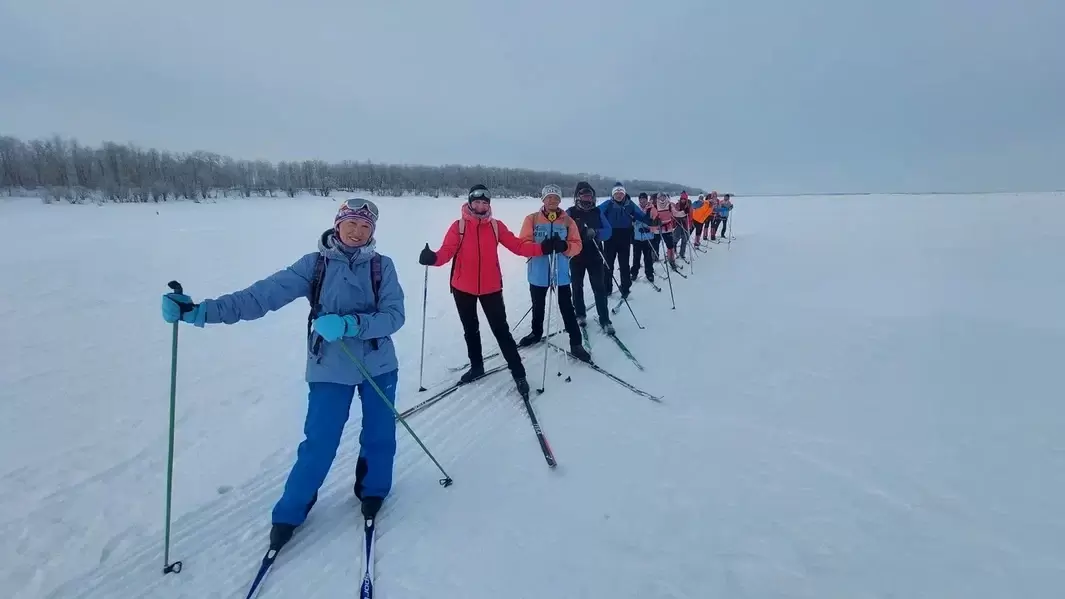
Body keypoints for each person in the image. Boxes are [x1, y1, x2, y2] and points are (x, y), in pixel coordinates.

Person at [160, 198, 404, 550]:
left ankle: (374, 491)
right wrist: (201, 312)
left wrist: (351, 323)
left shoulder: (383, 266)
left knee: (380, 435)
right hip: (329, 368)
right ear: (337, 225)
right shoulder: (314, 266)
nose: (357, 231)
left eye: (365, 227)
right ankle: (291, 512)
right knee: (319, 443)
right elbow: (260, 297)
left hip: (379, 366)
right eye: (351, 223)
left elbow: (394, 317)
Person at [418, 184, 541, 397]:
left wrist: (543, 248)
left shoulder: (496, 226)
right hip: (462, 288)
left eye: (485, 202)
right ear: (470, 202)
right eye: (477, 202)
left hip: (491, 288)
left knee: (501, 331)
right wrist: (433, 258)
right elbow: (446, 253)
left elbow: (519, 247)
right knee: (471, 329)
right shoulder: (458, 227)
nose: (481, 206)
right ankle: (477, 367)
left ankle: (519, 374)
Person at [516, 184, 591, 362]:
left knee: (567, 308)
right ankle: (536, 333)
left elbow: (577, 246)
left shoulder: (567, 221)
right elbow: (522, 246)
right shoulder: (532, 219)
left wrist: (565, 247)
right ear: (543, 199)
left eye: (556, 198)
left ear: (559, 200)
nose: (552, 201)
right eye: (549, 197)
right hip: (538, 272)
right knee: (538, 305)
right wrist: (541, 247)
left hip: (561, 272)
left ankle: (576, 343)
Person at [566, 181, 615, 335]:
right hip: (576, 257)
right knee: (577, 287)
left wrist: (596, 233)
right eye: (583, 195)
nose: (587, 199)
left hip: (595, 256)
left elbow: (608, 231)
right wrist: (575, 233)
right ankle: (580, 314)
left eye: (589, 196)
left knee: (599, 288)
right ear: (577, 197)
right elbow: (563, 230)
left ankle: (605, 319)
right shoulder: (570, 212)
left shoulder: (597, 212)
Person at [598, 182, 654, 298]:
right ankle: (607, 287)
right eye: (617, 193)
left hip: (625, 236)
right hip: (610, 237)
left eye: (621, 193)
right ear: (613, 194)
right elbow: (596, 213)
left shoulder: (629, 204)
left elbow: (640, 215)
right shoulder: (608, 204)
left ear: (624, 194)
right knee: (608, 264)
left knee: (624, 264)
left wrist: (651, 221)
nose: (619, 195)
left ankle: (625, 287)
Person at [650, 192, 681, 270]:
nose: (662, 199)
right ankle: (654, 258)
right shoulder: (655, 206)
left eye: (663, 197)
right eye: (660, 197)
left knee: (670, 246)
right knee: (655, 245)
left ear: (666, 197)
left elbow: (676, 213)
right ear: (658, 198)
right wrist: (655, 221)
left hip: (668, 229)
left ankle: (671, 260)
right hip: (657, 229)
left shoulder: (669, 205)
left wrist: (684, 213)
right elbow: (651, 216)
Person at [630, 192, 655, 283]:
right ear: (639, 199)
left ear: (647, 199)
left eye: (644, 199)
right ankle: (634, 273)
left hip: (648, 238)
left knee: (648, 257)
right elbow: (631, 223)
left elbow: (656, 223)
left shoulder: (652, 209)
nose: (643, 200)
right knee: (636, 257)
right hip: (637, 237)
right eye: (641, 199)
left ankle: (649, 273)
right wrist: (632, 221)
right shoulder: (635, 209)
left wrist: (649, 229)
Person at [673, 191, 693, 259]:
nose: (683, 200)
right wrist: (677, 219)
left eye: (684, 199)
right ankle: (674, 250)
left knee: (684, 240)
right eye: (682, 199)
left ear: (686, 199)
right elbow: (675, 213)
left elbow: (690, 216)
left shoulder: (689, 206)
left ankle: (682, 253)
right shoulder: (677, 205)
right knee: (675, 238)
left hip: (686, 225)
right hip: (678, 224)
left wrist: (688, 224)